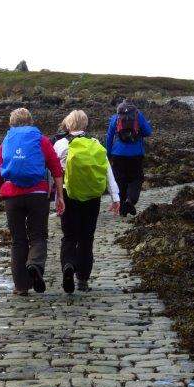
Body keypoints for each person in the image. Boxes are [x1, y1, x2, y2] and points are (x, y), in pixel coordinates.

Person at [0, 108, 64, 296]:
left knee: (18, 241)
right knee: (38, 236)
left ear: (11, 123)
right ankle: (34, 264)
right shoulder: (41, 140)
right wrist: (60, 196)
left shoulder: (7, 141)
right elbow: (56, 168)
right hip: (38, 194)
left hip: (12, 195)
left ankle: (21, 287)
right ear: (31, 122)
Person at [54, 109, 120, 293]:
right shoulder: (95, 144)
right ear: (85, 125)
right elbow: (108, 171)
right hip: (92, 197)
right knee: (86, 238)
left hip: (68, 194)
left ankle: (68, 265)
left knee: (69, 236)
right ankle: (82, 279)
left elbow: (53, 173)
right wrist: (115, 197)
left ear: (68, 125)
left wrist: (54, 197)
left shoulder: (59, 145)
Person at [105, 100, 153, 216]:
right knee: (136, 179)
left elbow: (109, 136)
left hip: (118, 154)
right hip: (136, 154)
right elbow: (148, 132)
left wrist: (108, 153)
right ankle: (130, 201)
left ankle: (122, 209)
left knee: (120, 180)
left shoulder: (115, 117)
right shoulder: (138, 116)